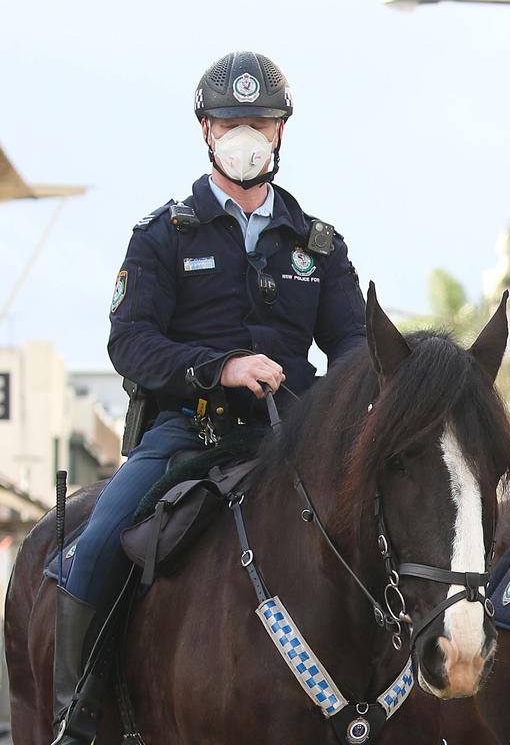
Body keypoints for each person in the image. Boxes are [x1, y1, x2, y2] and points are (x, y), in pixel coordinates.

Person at [50, 51, 367, 744]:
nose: (245, 133)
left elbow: (354, 346)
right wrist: (218, 368)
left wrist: (339, 406)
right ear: (205, 130)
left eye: (260, 120)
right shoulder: (163, 234)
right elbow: (129, 341)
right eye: (231, 121)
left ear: (282, 131)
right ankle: (75, 718)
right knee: (98, 541)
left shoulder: (321, 245)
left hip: (293, 441)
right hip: (187, 434)